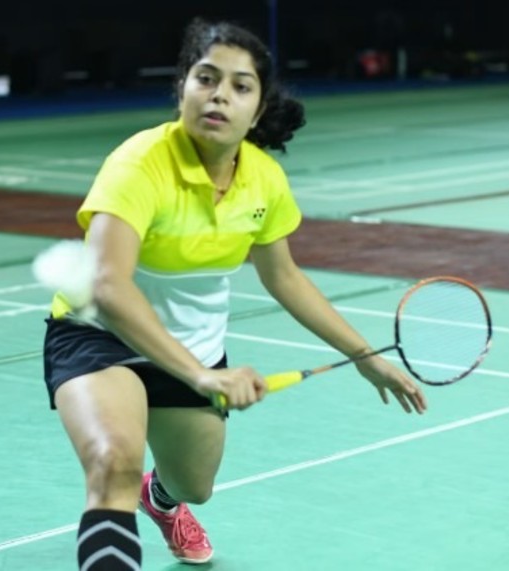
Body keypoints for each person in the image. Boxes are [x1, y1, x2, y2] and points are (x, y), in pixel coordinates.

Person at [42, 17, 428, 571]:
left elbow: (284, 276)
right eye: (206, 78)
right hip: (102, 335)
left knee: (194, 485)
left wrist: (364, 356)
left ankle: (161, 500)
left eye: (240, 86)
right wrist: (202, 378)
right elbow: (108, 286)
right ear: (182, 87)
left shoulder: (263, 180)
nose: (219, 94)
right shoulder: (138, 164)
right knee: (113, 463)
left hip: (194, 345)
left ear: (258, 107)